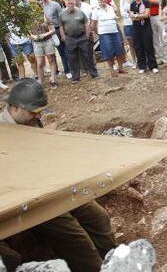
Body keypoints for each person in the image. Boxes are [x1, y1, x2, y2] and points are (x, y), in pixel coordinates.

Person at [0, 78, 117, 272]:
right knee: (77, 239)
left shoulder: (31, 122)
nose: (37, 116)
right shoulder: (3, 132)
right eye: (33, 112)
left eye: (39, 112)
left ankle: (116, 262)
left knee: (98, 216)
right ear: (14, 108)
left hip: (52, 185)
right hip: (31, 201)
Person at [59, 0, 98, 83]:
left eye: (72, 3)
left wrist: (87, 35)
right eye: (68, 3)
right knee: (72, 58)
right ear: (66, 4)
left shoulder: (80, 12)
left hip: (82, 37)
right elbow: (61, 26)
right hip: (70, 38)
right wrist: (64, 37)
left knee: (88, 56)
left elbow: (86, 23)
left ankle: (93, 73)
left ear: (74, 3)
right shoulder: (62, 14)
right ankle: (75, 77)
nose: (70, 5)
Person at [91, 0, 126, 77]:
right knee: (108, 52)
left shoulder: (110, 8)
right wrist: (99, 33)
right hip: (104, 34)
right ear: (98, 0)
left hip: (114, 32)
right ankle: (112, 69)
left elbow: (114, 19)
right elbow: (93, 25)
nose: (103, 0)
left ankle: (120, 68)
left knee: (119, 50)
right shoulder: (96, 10)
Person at [38, 0, 71, 78]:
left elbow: (62, 19)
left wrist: (62, 32)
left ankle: (67, 71)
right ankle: (55, 71)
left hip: (57, 30)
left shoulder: (55, 5)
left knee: (62, 52)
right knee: (51, 54)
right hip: (46, 32)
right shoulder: (39, 6)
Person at [130, 0, 158, 74]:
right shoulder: (132, 4)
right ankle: (142, 66)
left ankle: (153, 66)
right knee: (138, 47)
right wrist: (138, 16)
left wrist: (136, 15)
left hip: (146, 27)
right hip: (136, 28)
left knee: (148, 46)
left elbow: (147, 15)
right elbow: (132, 18)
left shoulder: (145, 2)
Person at [143, 0, 167, 65]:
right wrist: (151, 1)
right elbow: (144, 4)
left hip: (159, 16)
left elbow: (159, 2)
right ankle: (160, 57)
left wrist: (148, 1)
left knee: (163, 37)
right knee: (155, 39)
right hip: (150, 17)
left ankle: (166, 58)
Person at [71, 0, 98, 75]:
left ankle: (93, 69)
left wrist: (93, 29)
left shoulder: (87, 6)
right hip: (75, 33)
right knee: (79, 52)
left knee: (89, 51)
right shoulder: (69, 8)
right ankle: (83, 69)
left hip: (87, 31)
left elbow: (92, 18)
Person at [29, 10, 58, 89]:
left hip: (48, 41)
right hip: (37, 43)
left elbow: (53, 29)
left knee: (51, 60)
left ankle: (53, 79)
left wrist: (44, 34)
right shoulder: (29, 19)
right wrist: (32, 36)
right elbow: (28, 32)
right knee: (39, 63)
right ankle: (41, 80)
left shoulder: (45, 18)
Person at [120, 0, 137, 68]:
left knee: (138, 42)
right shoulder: (122, 0)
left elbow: (136, 10)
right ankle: (134, 61)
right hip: (127, 24)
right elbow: (122, 13)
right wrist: (130, 14)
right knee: (130, 43)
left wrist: (130, 12)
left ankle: (141, 59)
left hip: (135, 23)